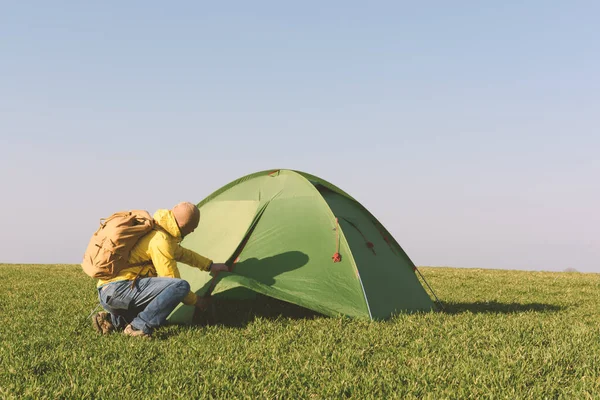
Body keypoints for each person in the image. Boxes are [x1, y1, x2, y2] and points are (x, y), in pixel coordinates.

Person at [91, 202, 229, 338]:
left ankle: (111, 321)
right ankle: (138, 327)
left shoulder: (158, 229)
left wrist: (210, 265)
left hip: (109, 290)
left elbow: (183, 254)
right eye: (192, 228)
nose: (192, 231)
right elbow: (173, 283)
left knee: (159, 314)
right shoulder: (161, 240)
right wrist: (199, 302)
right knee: (180, 286)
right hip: (119, 290)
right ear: (183, 225)